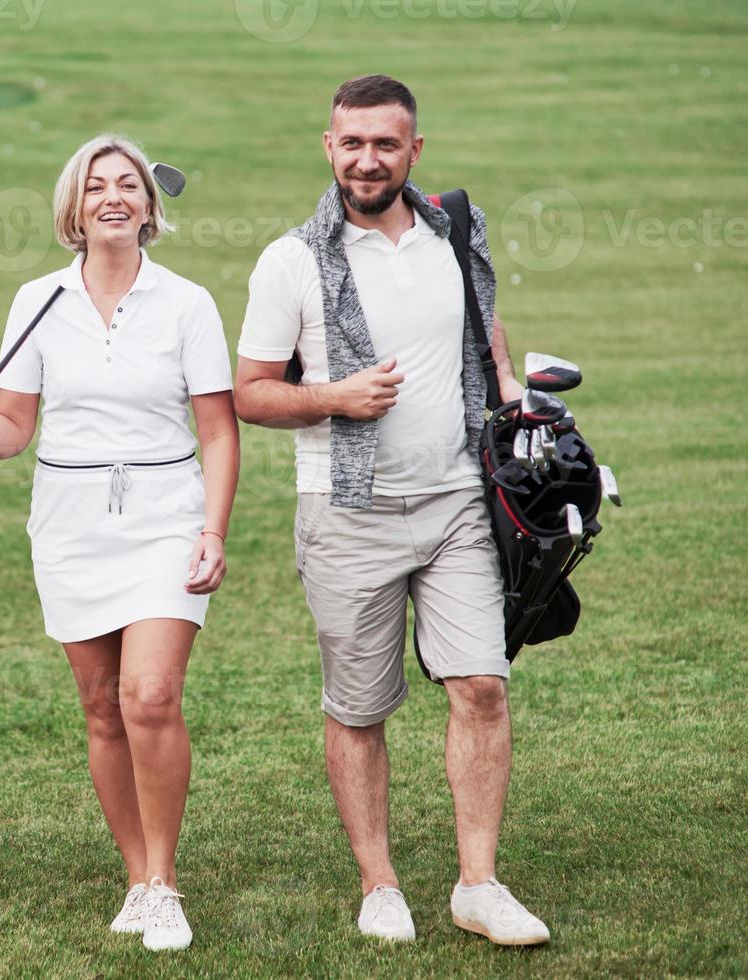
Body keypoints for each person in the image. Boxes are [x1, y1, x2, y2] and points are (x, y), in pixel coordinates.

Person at [232, 74, 549, 947]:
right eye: (351, 142)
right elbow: (250, 395)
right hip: (349, 511)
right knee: (360, 709)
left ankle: (479, 885)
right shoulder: (291, 260)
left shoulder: (455, 227)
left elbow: (482, 328)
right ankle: (380, 884)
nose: (367, 158)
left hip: (456, 500)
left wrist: (511, 388)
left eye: (385, 143)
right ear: (327, 148)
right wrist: (336, 396)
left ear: (414, 151)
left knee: (482, 686)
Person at [0, 134, 239, 953]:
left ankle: (166, 884)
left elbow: (217, 432)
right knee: (102, 710)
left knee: (149, 695)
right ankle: (135, 877)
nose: (114, 196)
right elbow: (16, 427)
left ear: (148, 205)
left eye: (128, 184)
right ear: (74, 207)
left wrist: (212, 530)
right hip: (68, 526)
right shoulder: (39, 300)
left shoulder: (187, 303)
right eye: (97, 185)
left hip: (165, 518)